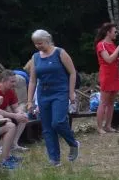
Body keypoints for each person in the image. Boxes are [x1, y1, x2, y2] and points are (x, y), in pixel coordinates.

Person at [26, 29, 81, 167]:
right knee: (47, 128)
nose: (38, 46)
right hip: (43, 94)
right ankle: (54, 159)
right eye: (35, 44)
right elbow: (32, 80)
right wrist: (29, 101)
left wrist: (71, 92)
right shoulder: (35, 58)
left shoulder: (60, 53)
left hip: (60, 92)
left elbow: (73, 72)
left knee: (58, 122)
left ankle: (73, 143)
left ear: (48, 40)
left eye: (40, 43)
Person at [94, 22, 119, 135]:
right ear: (108, 32)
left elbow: (112, 59)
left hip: (114, 74)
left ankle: (108, 125)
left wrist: (118, 60)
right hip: (106, 75)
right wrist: (118, 48)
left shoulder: (112, 44)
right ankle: (99, 127)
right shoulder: (101, 44)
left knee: (111, 102)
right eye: (114, 32)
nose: (116, 34)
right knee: (103, 102)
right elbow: (107, 59)